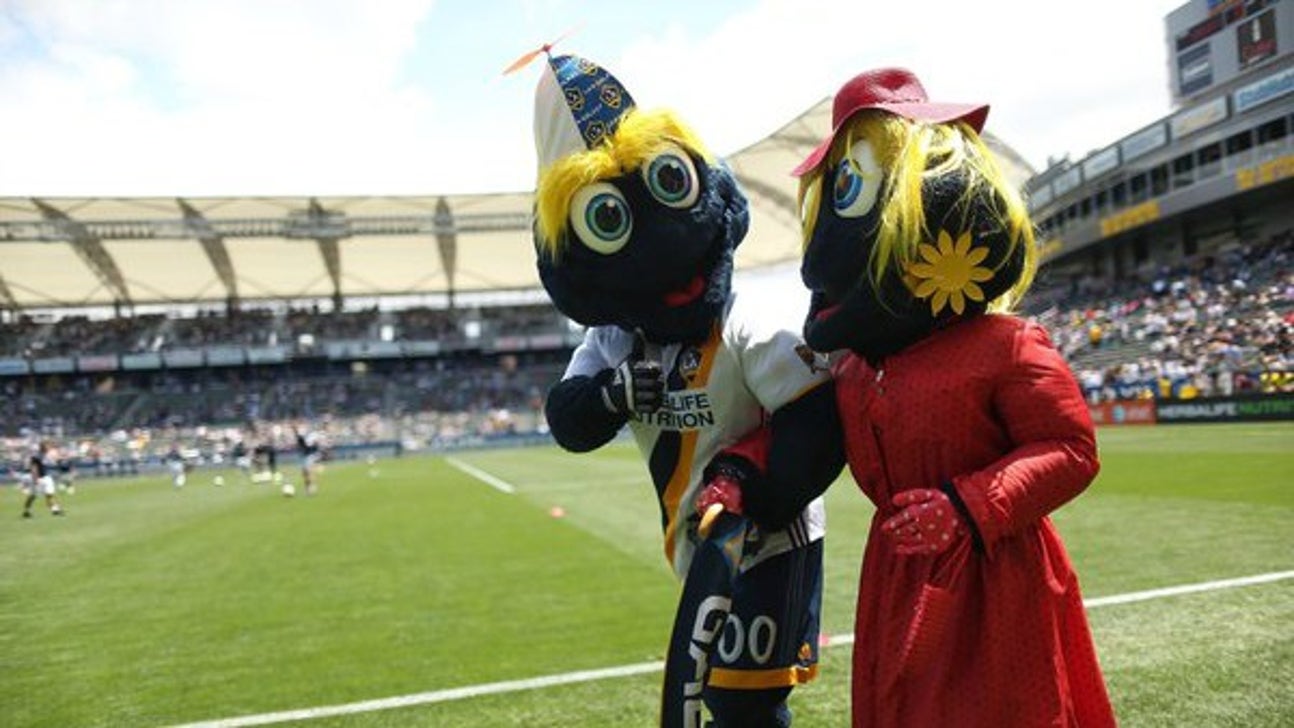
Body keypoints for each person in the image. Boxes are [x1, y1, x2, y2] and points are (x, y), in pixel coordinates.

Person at [523, 47, 842, 727]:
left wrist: (753, 482)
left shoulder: (746, 323)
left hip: (772, 536)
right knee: (726, 703)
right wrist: (614, 395)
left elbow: (816, 423)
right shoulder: (614, 341)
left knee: (740, 700)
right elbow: (569, 421)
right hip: (701, 545)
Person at [791, 67, 1116, 727]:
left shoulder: (1008, 344)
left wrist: (970, 508)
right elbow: (799, 442)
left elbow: (1071, 447)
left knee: (1006, 707)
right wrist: (740, 475)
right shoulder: (852, 367)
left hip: (997, 577)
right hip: (898, 574)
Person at [22, 441, 65, 518]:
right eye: (47, 446)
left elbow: (54, 459)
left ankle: (55, 510)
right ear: (42, 447)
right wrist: (35, 479)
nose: (49, 448)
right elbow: (33, 468)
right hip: (38, 478)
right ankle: (26, 511)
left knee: (50, 494)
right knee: (33, 496)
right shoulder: (36, 456)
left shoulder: (46, 455)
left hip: (46, 477)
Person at [293, 423, 322, 495]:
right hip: (303, 456)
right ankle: (308, 488)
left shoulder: (302, 435)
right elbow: (301, 446)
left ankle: (311, 487)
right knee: (304, 473)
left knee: (308, 471)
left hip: (308, 455)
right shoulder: (299, 436)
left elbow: (307, 445)